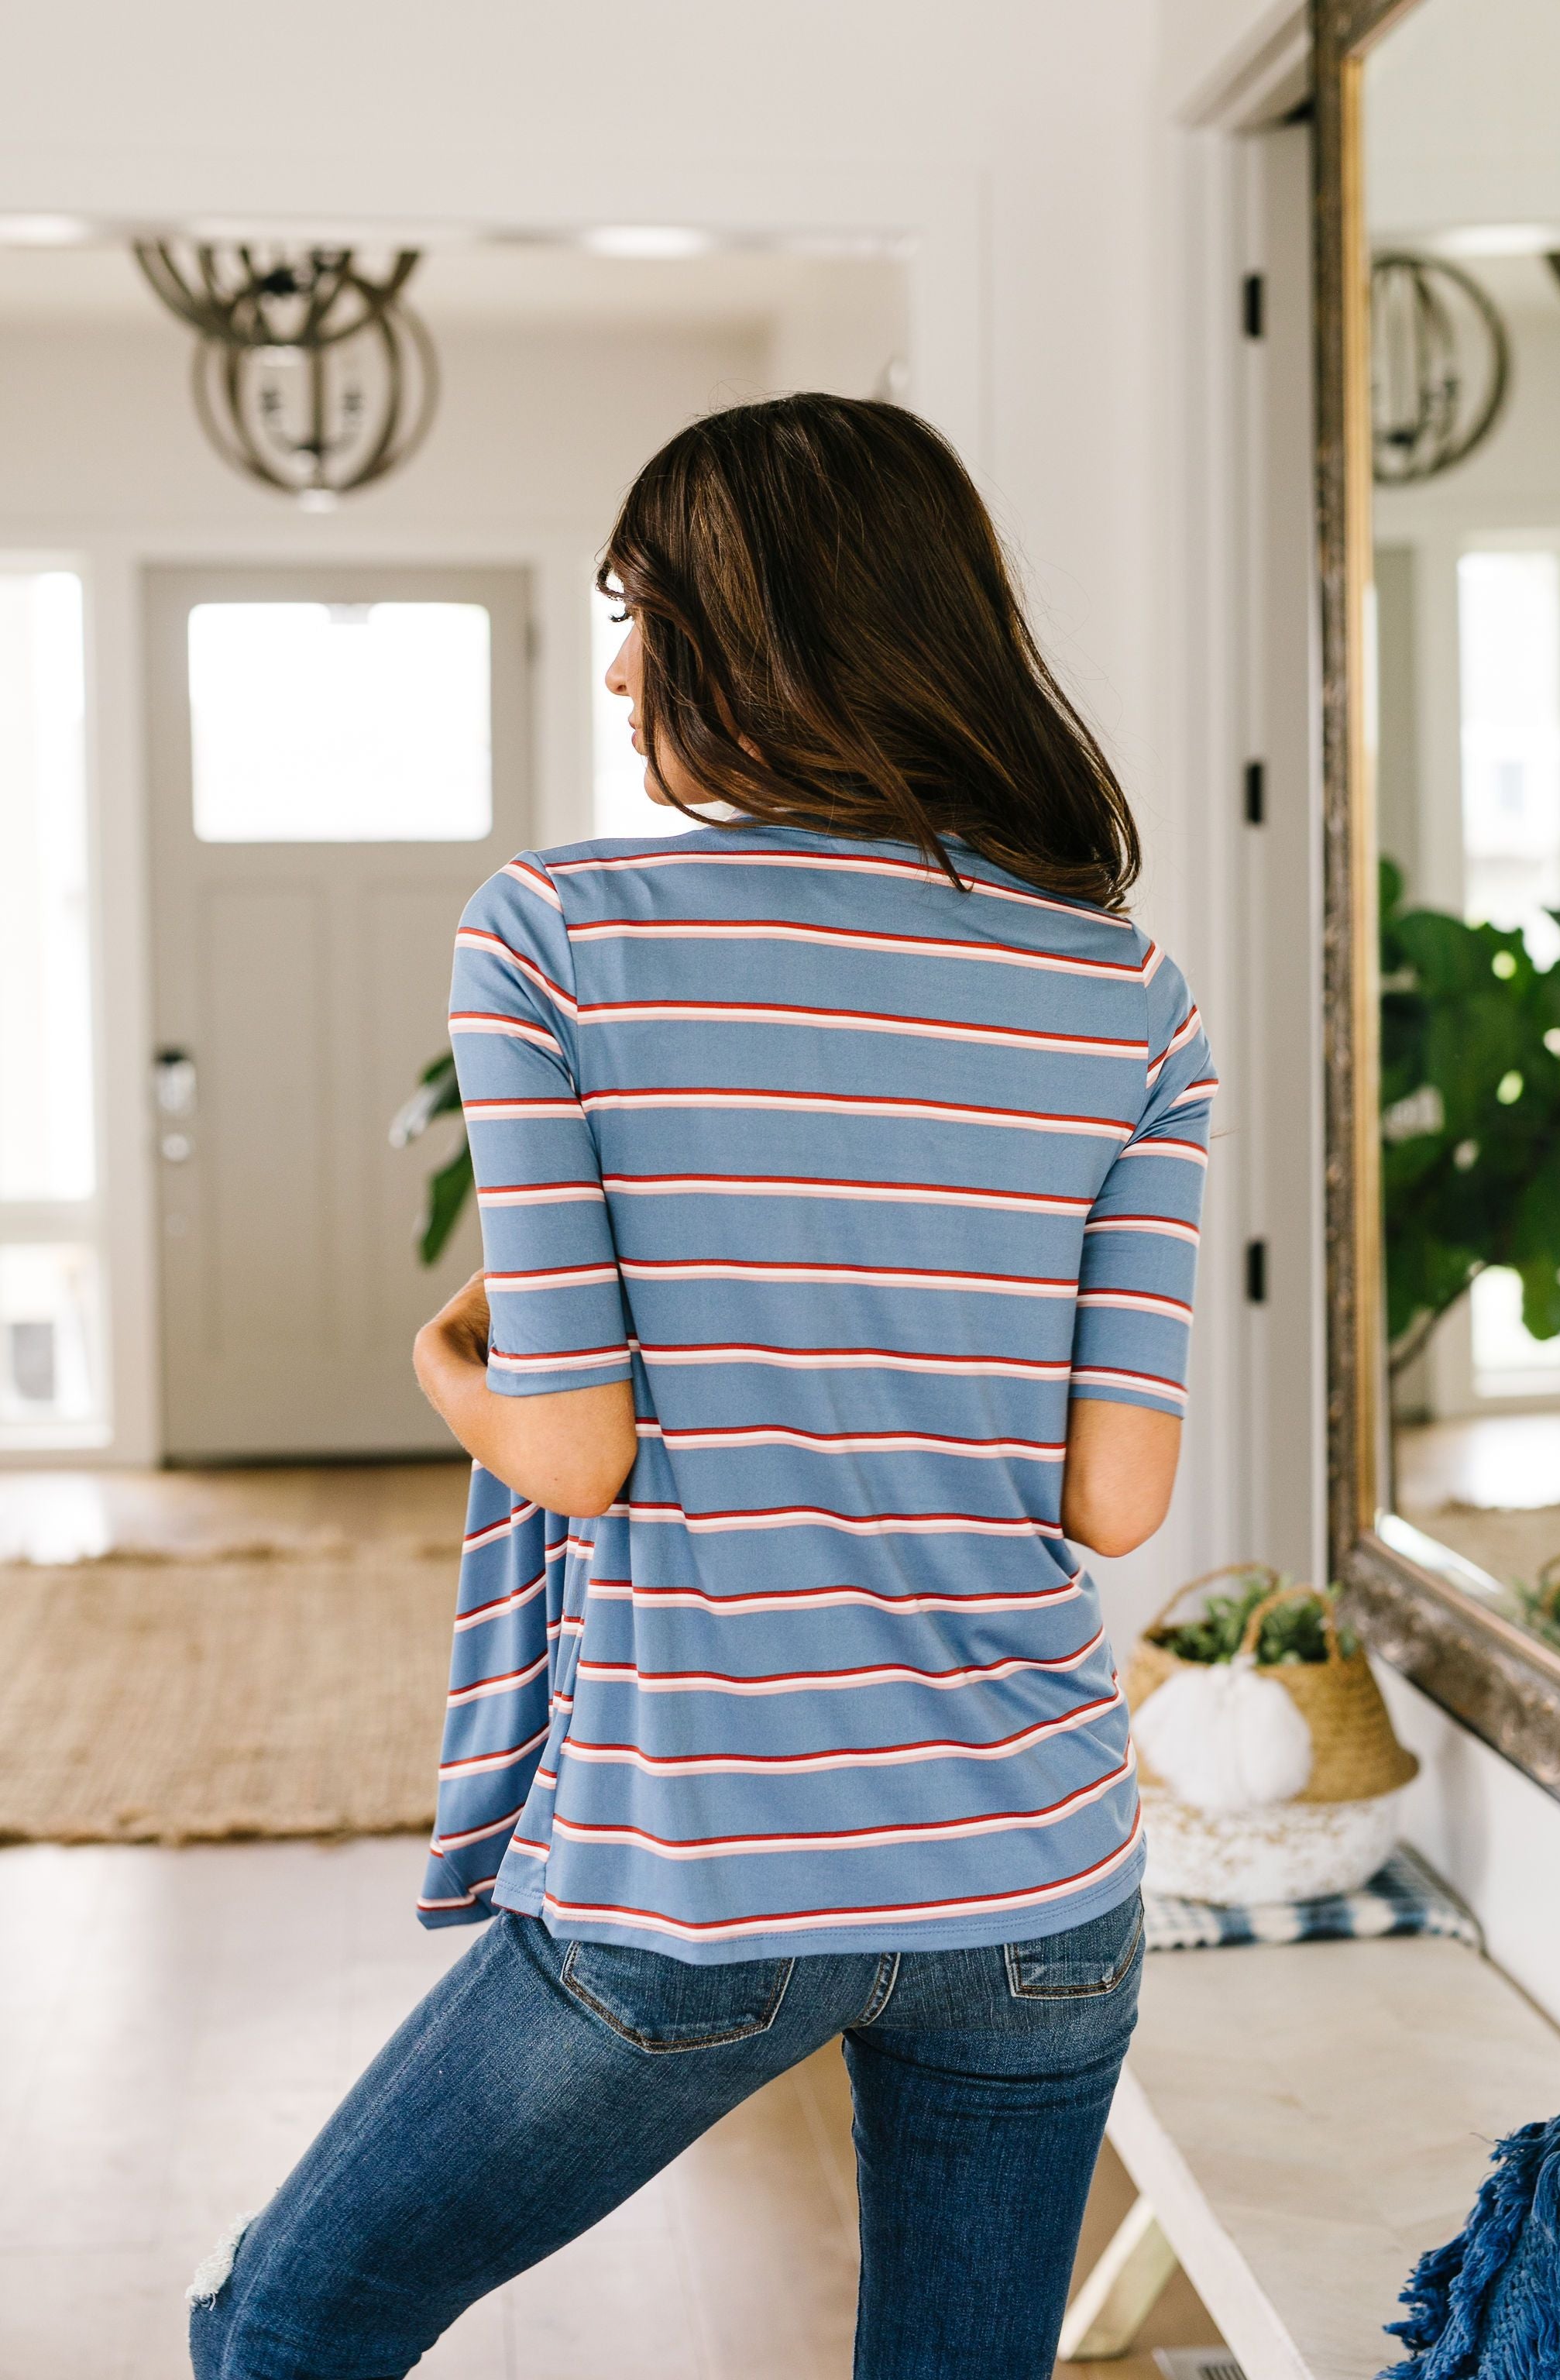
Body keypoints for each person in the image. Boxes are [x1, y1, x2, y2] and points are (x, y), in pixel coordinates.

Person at [190, 394, 1215, 2380]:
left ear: (752, 632)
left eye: (637, 605)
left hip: (703, 1869)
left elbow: (573, 1445)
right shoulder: (1127, 991)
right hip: (1038, 1873)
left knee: (287, 2327)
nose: (614, 657)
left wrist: (438, 1358)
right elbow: (1113, 1501)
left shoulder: (562, 935)